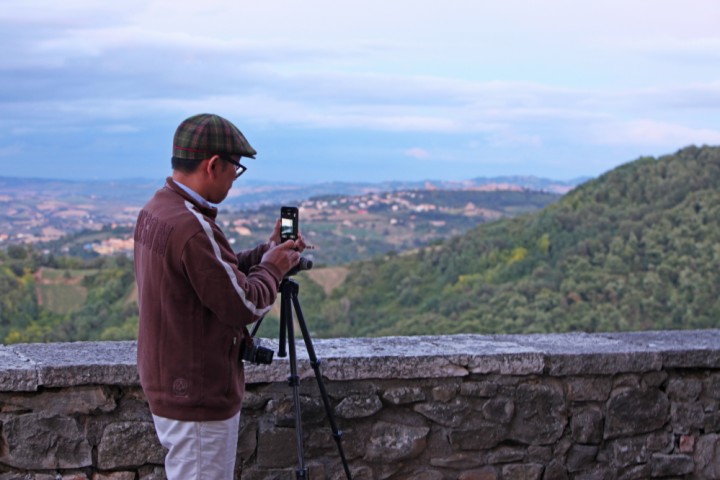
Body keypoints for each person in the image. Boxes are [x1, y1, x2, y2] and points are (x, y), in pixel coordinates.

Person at [133, 113, 304, 479]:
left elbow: (211, 274)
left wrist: (265, 253)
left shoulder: (158, 209)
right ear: (214, 165)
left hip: (171, 382)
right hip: (198, 392)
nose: (234, 180)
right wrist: (273, 269)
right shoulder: (191, 226)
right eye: (235, 170)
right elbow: (243, 304)